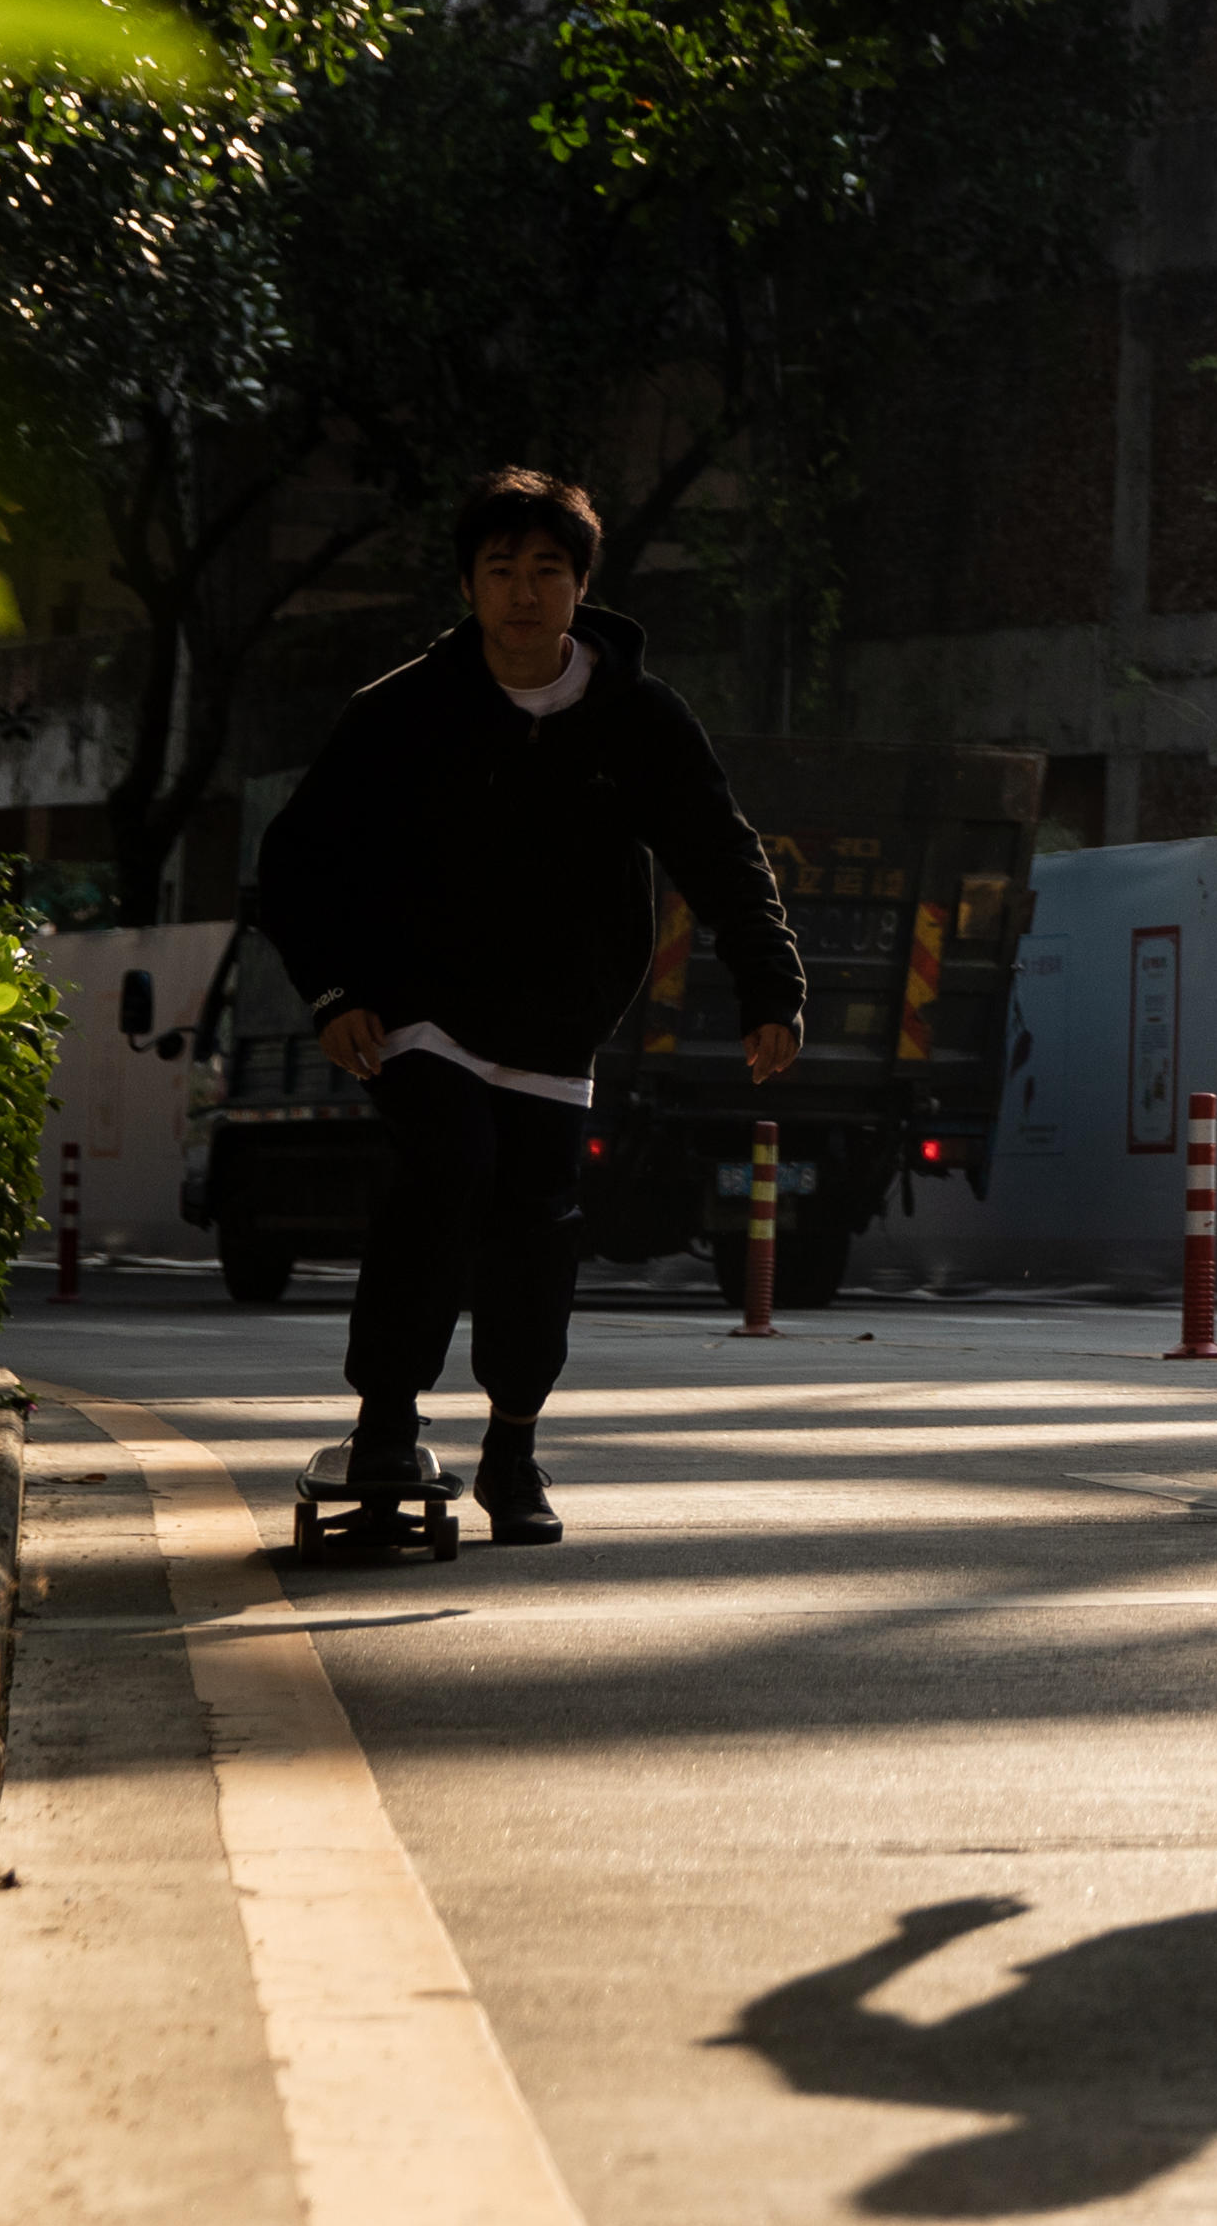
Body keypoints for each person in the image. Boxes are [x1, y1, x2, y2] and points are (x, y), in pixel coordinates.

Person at [246, 470, 802, 1546]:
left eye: (547, 570)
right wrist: (332, 994)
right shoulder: (402, 710)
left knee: (534, 1229)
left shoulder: (637, 718)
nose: (522, 591)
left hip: (557, 1019)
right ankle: (387, 1419)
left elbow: (720, 854)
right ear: (467, 585)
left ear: (582, 586)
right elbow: (296, 861)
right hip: (419, 1006)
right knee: (444, 1168)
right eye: (500, 570)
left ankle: (512, 1443)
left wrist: (771, 987)